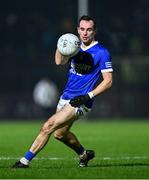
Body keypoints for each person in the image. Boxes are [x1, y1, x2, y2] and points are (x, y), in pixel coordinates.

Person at [12, 15, 113, 168]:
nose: (85, 33)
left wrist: (87, 96)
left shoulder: (101, 52)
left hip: (81, 101)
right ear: (78, 30)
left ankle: (24, 161)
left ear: (94, 31)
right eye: (82, 29)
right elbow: (59, 61)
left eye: (89, 29)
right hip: (65, 97)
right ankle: (83, 154)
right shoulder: (74, 46)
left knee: (48, 126)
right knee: (59, 134)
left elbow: (108, 81)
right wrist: (62, 45)